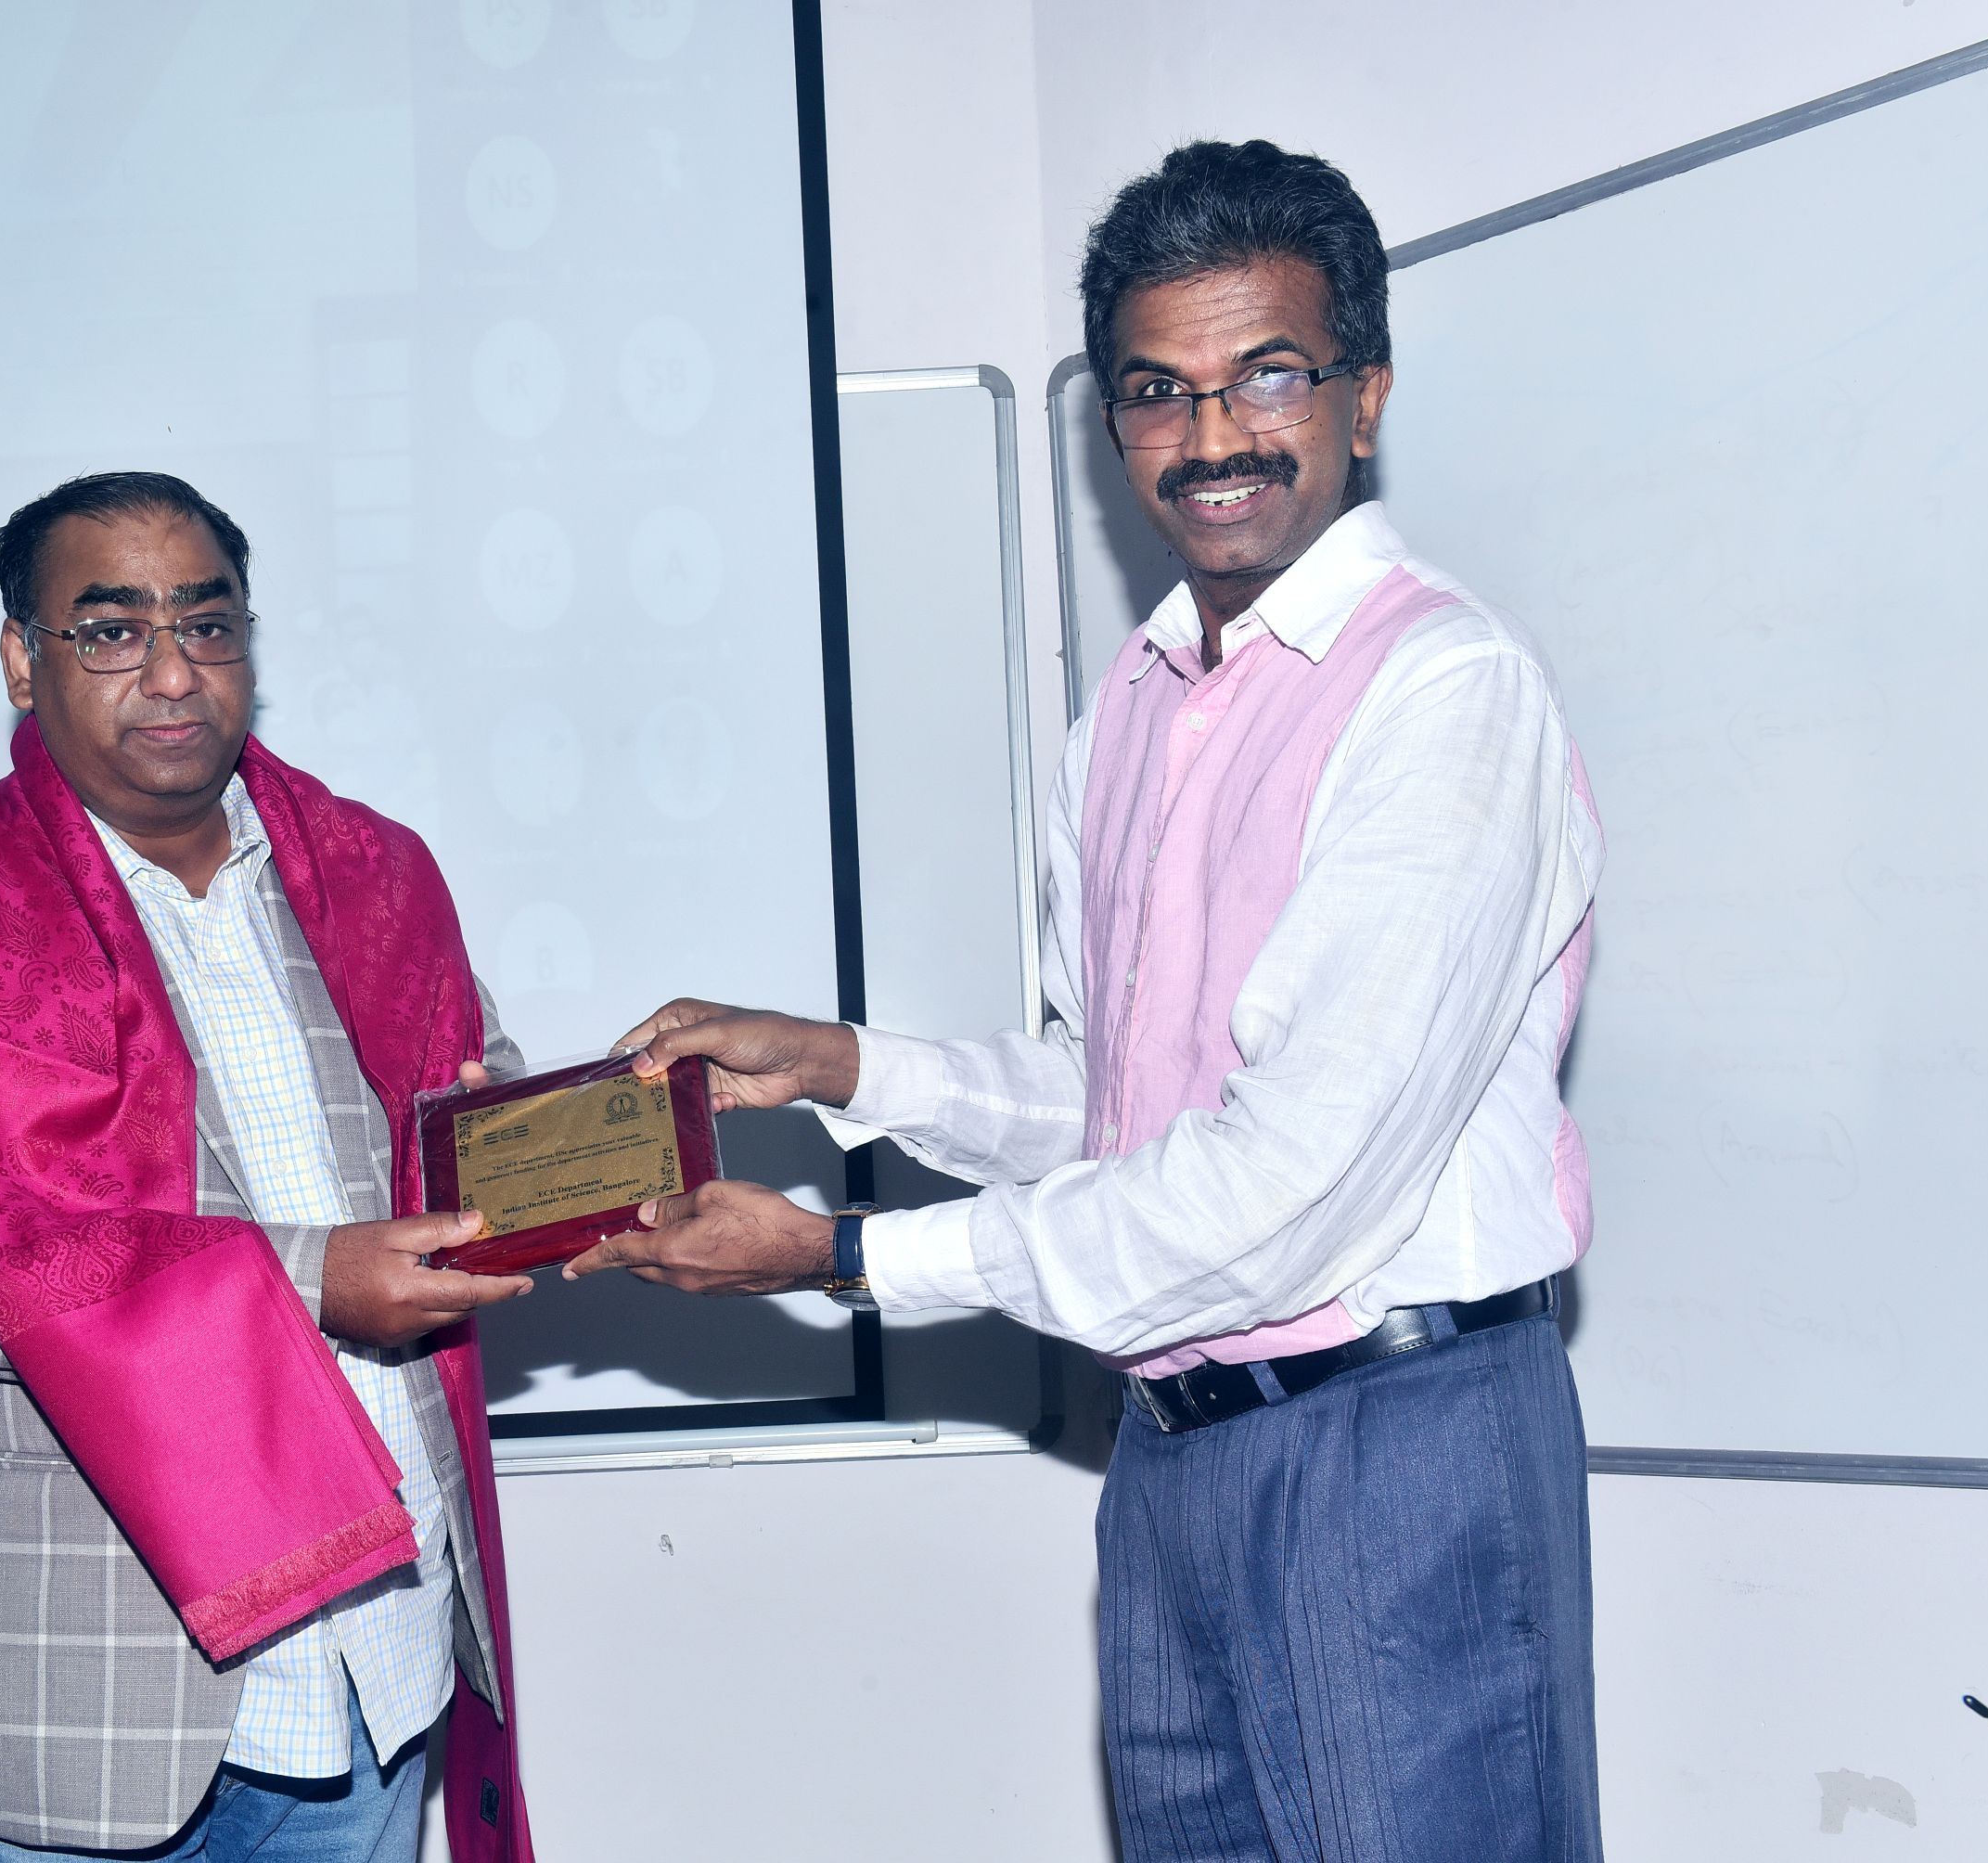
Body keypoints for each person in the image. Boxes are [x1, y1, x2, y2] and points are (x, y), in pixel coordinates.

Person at [576, 143, 1607, 1862]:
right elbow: (1118, 1106)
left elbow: (1288, 1186)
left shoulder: (1444, 693)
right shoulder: (1128, 709)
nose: (1212, 438)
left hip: (1393, 1452)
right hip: (1172, 1459)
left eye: (1266, 376)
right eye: (1158, 391)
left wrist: (841, 1257)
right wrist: (843, 1066)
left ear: (1364, 394)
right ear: (1114, 424)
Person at [0, 472, 537, 1862]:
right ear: (22, 657)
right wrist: (314, 1282)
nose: (171, 673)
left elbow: (475, 1127)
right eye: (110, 631)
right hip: (67, 1694)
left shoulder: (376, 876)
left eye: (206, 624)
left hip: (373, 1662)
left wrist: (606, 1154)